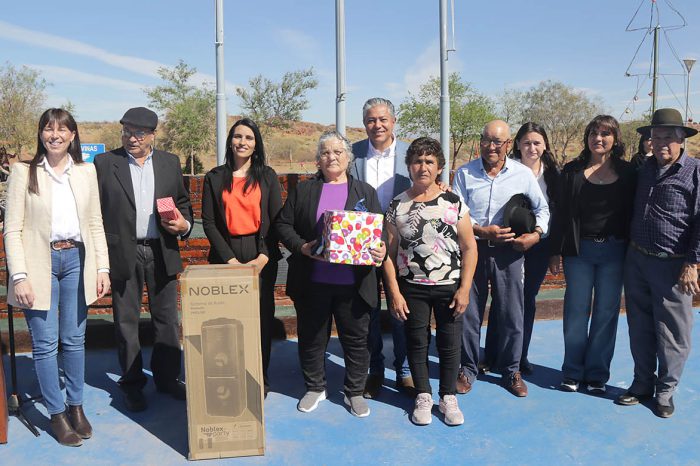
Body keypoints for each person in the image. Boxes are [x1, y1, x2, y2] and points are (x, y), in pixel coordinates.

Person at [4, 108, 110, 446]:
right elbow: (13, 229)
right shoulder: (25, 172)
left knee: (75, 340)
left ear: (73, 135)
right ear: (40, 134)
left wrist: (102, 267)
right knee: (46, 343)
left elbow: (95, 222)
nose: (55, 135)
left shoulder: (85, 172)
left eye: (62, 129)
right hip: (39, 262)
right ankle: (57, 413)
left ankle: (76, 406)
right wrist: (19, 276)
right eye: (48, 129)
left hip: (77, 260)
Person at [276, 131, 385, 418]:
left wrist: (380, 250)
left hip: (354, 283)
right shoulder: (304, 190)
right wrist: (302, 246)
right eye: (325, 152)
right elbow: (283, 225)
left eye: (338, 152)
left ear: (348, 158)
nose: (331, 157)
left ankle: (354, 392)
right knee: (312, 337)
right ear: (317, 159)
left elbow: (378, 232)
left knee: (356, 340)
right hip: (313, 281)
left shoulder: (365, 192)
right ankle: (315, 387)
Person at [94, 107, 193, 412]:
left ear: (152, 135)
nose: (130, 138)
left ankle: (167, 379)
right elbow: (93, 211)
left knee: (166, 320)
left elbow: (183, 203)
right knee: (126, 321)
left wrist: (184, 225)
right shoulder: (104, 163)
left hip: (162, 249)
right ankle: (132, 383)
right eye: (126, 131)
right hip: (123, 252)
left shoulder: (169, 163)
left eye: (138, 133)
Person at [382, 137, 477, 426]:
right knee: (417, 342)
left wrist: (464, 289)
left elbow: (470, 247)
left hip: (449, 287)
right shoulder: (397, 205)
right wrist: (394, 293)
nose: (423, 167)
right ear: (409, 166)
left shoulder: (453, 202)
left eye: (429, 161)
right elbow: (386, 253)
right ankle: (423, 395)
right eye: (417, 161)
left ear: (439, 167)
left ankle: (448, 397)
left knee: (449, 344)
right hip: (412, 287)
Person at [452, 120, 549, 398]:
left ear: (508, 145)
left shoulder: (521, 174)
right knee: (469, 311)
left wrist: (536, 234)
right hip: (474, 249)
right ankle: (468, 368)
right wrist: (482, 231)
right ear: (480, 141)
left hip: (510, 253)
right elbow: (455, 215)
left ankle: (511, 371)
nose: (491, 147)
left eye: (498, 142)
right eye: (486, 140)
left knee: (511, 312)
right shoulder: (465, 173)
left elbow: (543, 210)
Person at [618, 108, 700, 418]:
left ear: (681, 139)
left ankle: (665, 390)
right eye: (656, 136)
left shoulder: (695, 172)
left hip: (674, 266)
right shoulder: (643, 169)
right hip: (637, 259)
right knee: (639, 325)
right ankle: (642, 384)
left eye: (668, 136)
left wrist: (693, 263)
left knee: (673, 332)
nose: (661, 142)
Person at [549, 115, 636, 394]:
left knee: (606, 314)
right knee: (575, 312)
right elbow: (561, 214)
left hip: (614, 251)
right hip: (579, 251)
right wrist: (555, 252)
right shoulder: (572, 171)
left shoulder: (627, 173)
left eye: (605, 134)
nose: (599, 138)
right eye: (594, 133)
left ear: (615, 139)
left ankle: (597, 375)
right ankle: (572, 372)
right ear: (587, 138)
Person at [201, 118, 282, 396]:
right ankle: (231, 376)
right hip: (226, 255)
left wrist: (263, 257)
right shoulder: (214, 177)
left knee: (260, 318)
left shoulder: (268, 176)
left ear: (256, 144)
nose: (242, 142)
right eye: (238, 136)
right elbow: (209, 222)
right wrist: (230, 262)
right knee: (228, 321)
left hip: (260, 254)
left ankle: (261, 376)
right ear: (230, 141)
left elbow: (275, 220)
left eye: (249, 137)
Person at [483, 122, 560, 374]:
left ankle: (519, 355)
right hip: (508, 244)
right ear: (516, 144)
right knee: (502, 299)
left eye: (537, 143)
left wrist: (551, 248)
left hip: (538, 245)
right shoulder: (506, 169)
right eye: (526, 142)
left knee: (526, 299)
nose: (531, 148)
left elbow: (555, 213)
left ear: (545, 145)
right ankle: (492, 353)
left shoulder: (553, 176)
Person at [350, 97, 411, 398]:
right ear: (365, 124)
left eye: (383, 119)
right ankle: (375, 369)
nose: (378, 125)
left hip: (403, 245)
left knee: (402, 309)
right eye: (372, 120)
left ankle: (405, 370)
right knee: (369, 310)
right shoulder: (352, 154)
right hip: (364, 246)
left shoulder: (411, 154)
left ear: (393, 121)